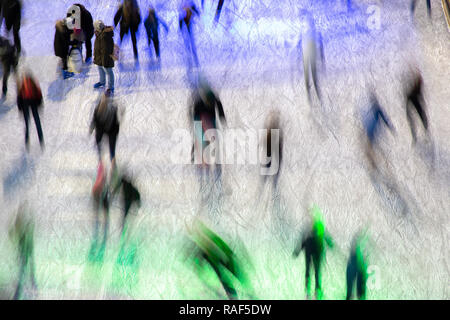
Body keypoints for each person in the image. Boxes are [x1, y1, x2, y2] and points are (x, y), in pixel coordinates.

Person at [293, 206, 334, 299]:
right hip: (311, 252)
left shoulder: (319, 226)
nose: (313, 219)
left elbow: (325, 235)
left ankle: (317, 290)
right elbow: (303, 241)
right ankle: (309, 290)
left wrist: (330, 243)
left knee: (316, 271)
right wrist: (298, 251)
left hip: (317, 253)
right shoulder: (310, 228)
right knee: (309, 271)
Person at [8, 204, 37, 300]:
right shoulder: (22, 221)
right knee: (24, 269)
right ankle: (28, 289)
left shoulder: (24, 221)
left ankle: (28, 289)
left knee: (24, 269)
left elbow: (12, 232)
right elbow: (12, 232)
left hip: (26, 247)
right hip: (24, 248)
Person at [297, 10, 325, 105]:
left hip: (311, 57)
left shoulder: (315, 32)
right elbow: (298, 45)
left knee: (314, 79)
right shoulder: (304, 32)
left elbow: (321, 48)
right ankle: (312, 100)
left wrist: (322, 61)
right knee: (308, 80)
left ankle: (318, 99)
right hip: (306, 57)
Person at [363, 93, 396, 171]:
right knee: (371, 147)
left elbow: (384, 119)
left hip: (372, 131)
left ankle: (375, 164)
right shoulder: (373, 109)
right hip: (372, 131)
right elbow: (384, 119)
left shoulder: (375, 110)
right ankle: (374, 163)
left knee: (372, 148)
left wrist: (391, 128)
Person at [89, 89, 120, 170]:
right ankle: (113, 165)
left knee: (99, 145)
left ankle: (101, 164)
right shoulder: (113, 107)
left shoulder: (98, 108)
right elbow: (116, 121)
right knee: (112, 150)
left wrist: (91, 129)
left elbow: (94, 120)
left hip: (101, 130)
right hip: (111, 131)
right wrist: (116, 131)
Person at [17, 72, 44, 151]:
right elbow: (39, 94)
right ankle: (41, 140)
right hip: (34, 102)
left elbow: (19, 97)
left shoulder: (22, 85)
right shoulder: (33, 83)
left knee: (27, 123)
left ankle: (27, 142)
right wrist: (40, 104)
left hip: (25, 103)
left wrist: (20, 108)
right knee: (37, 122)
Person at [405, 71, 429, 145]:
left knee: (420, 117)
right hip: (411, 102)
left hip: (413, 101)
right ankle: (416, 136)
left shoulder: (417, 87)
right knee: (415, 119)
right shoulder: (415, 88)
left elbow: (419, 96)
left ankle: (422, 134)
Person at [346, 231, 369, 300]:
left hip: (358, 267)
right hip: (356, 266)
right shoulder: (354, 262)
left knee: (358, 293)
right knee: (354, 293)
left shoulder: (359, 262)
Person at [93, 20, 115, 92]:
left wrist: (104, 61)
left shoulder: (104, 36)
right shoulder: (100, 33)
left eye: (95, 28)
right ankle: (102, 82)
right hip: (100, 57)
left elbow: (105, 50)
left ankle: (111, 88)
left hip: (105, 58)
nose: (94, 30)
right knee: (100, 69)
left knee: (108, 71)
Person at [179, 0, 200, 68]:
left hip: (188, 21)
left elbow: (194, 8)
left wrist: (196, 12)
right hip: (186, 21)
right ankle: (190, 61)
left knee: (190, 41)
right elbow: (181, 18)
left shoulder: (189, 3)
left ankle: (194, 60)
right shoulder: (184, 12)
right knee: (188, 42)